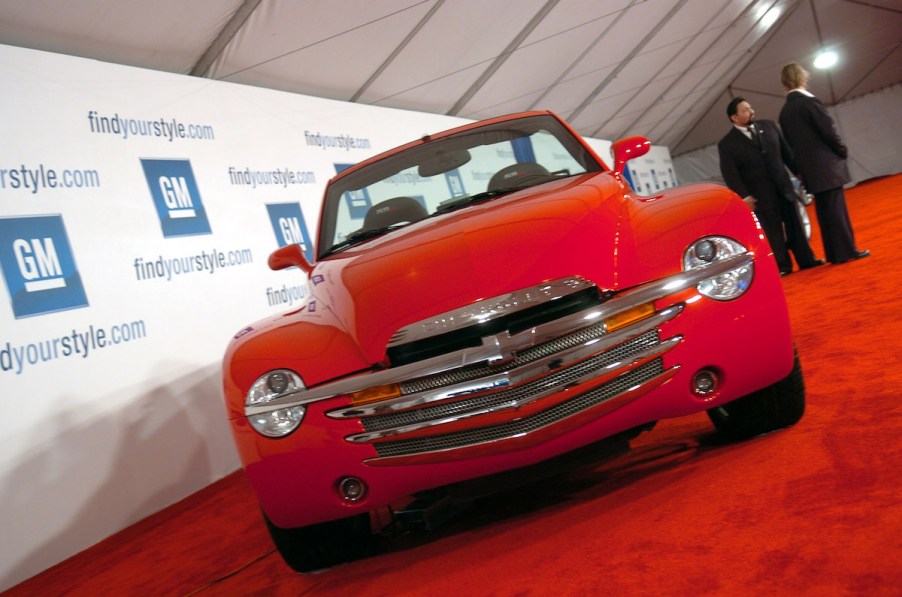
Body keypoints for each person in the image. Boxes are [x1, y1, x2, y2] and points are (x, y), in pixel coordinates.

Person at [718, 96, 823, 275]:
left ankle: (807, 260)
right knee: (772, 232)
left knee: (795, 226)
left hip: (784, 188)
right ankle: (782, 267)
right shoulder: (727, 144)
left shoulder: (769, 126)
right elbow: (731, 174)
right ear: (734, 118)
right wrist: (745, 196)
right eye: (745, 110)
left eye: (750, 108)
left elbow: (787, 154)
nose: (751, 112)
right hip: (760, 195)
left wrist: (801, 174)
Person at [779, 63, 869, 264]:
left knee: (824, 211)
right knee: (836, 210)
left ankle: (834, 253)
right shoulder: (810, 103)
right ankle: (847, 251)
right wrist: (841, 150)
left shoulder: (785, 112)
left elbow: (790, 144)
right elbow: (828, 130)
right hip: (826, 164)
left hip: (808, 169)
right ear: (803, 79)